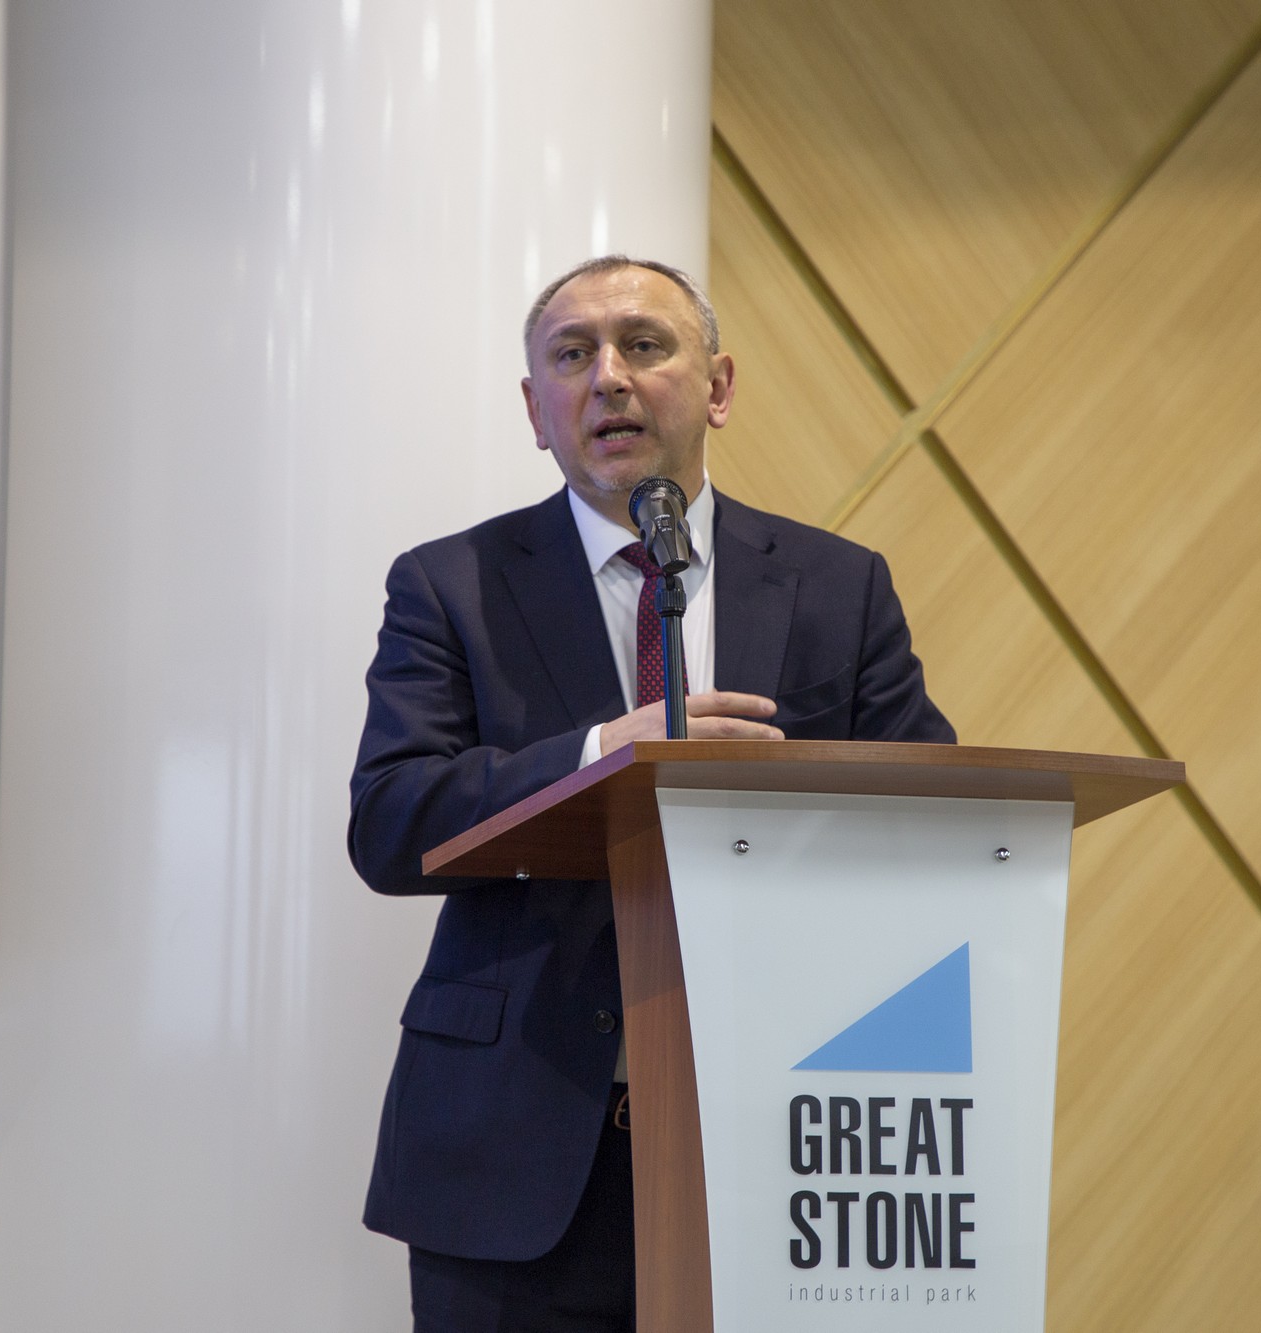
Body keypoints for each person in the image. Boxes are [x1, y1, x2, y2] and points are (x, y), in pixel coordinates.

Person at [350, 255, 955, 1331]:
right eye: (571, 355)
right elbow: (392, 823)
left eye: (643, 345)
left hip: (777, 1137)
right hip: (516, 1142)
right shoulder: (450, 584)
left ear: (717, 387)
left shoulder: (838, 585)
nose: (608, 378)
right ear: (534, 410)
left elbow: (934, 822)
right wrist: (598, 753)